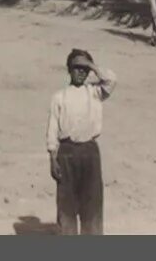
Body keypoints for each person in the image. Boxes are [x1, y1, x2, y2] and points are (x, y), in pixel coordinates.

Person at [46, 48, 116, 236]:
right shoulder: (59, 97)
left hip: (90, 152)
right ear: (69, 70)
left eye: (84, 69)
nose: (81, 72)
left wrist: (92, 65)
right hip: (66, 153)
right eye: (76, 67)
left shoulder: (95, 92)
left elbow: (111, 80)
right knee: (66, 205)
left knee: (91, 204)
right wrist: (53, 158)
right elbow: (52, 129)